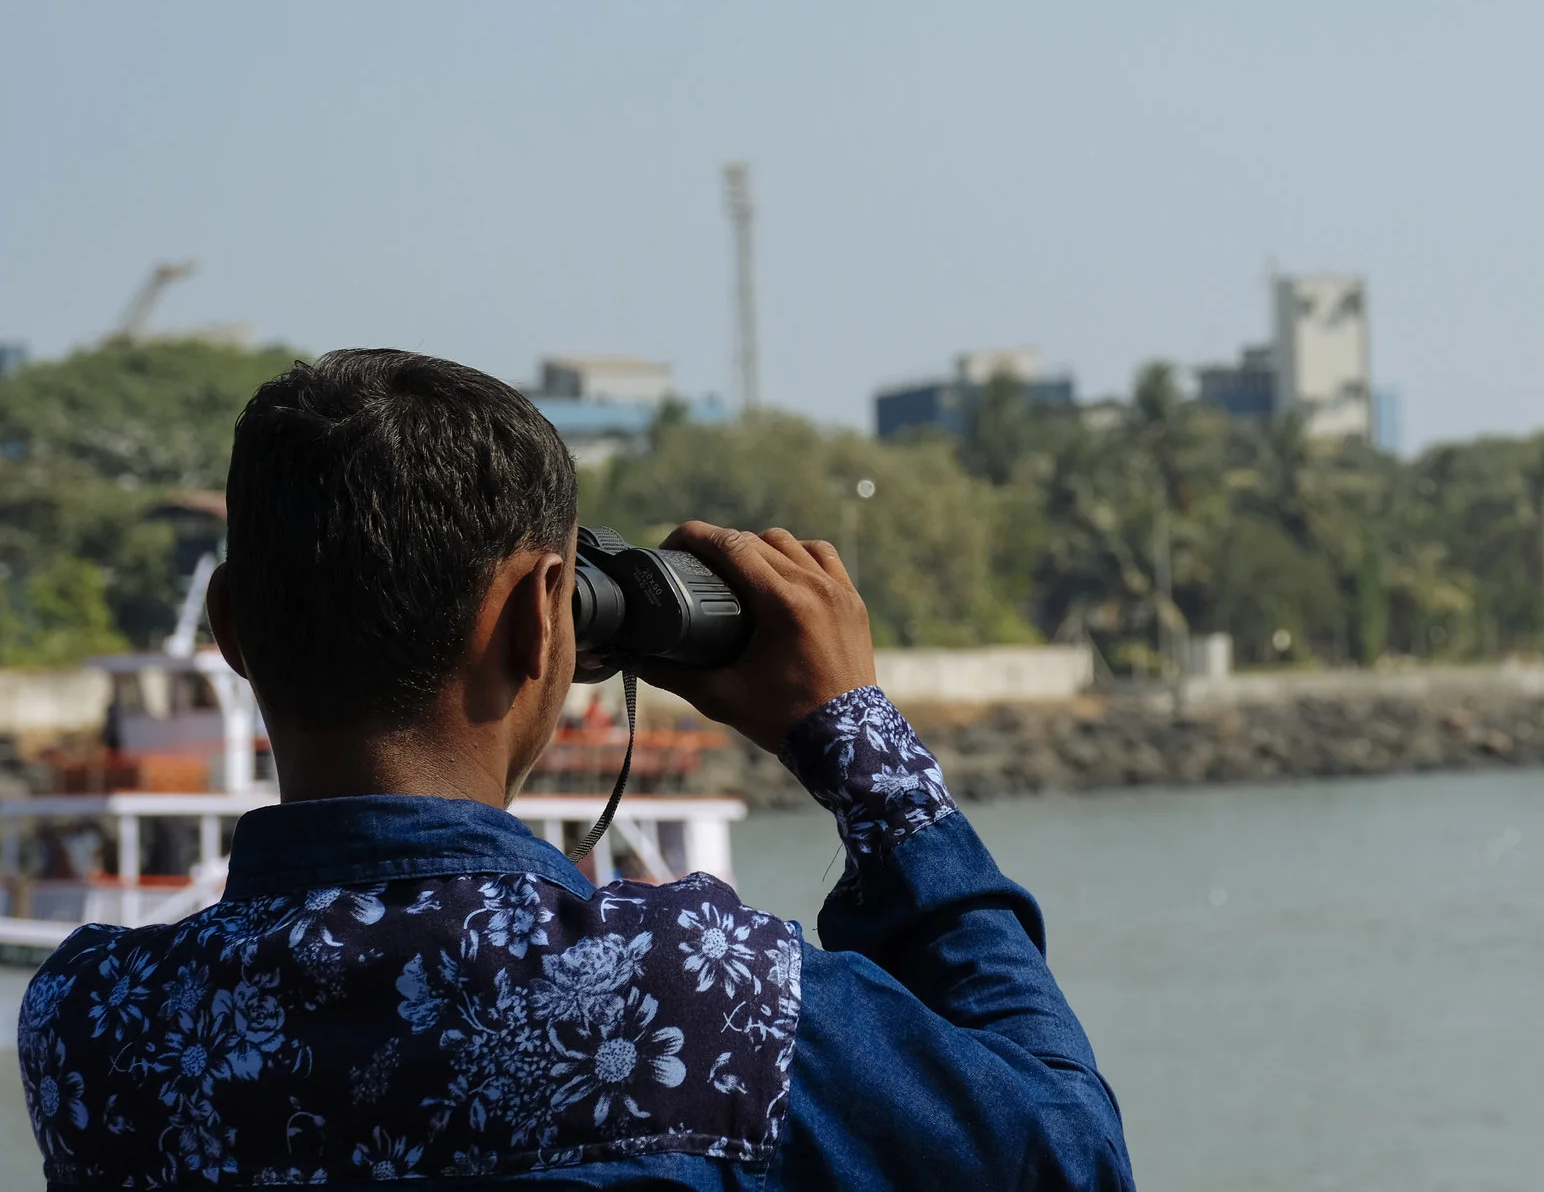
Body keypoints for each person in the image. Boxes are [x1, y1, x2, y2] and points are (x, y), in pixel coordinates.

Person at [16, 350, 1134, 1189]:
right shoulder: (702, 1001)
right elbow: (1069, 1152)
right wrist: (856, 737)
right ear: (542, 615)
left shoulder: (93, 1023)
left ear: (229, 627)